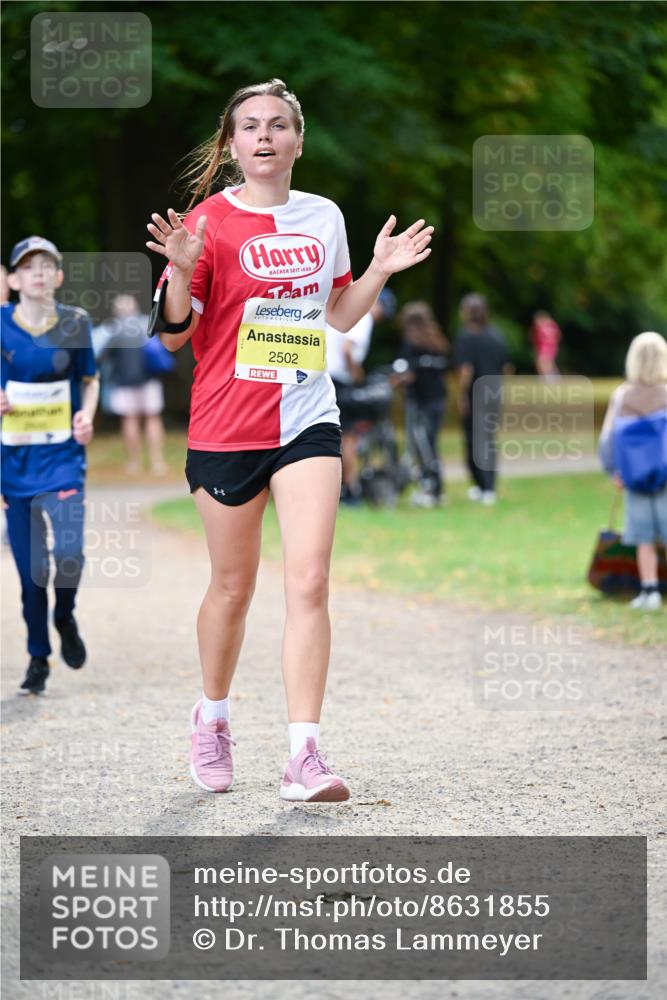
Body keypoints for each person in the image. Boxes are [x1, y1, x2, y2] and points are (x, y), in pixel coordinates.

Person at [145, 78, 433, 801]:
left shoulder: (323, 216)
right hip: (225, 424)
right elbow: (176, 335)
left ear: (298, 140)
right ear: (231, 144)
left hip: (306, 417)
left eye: (278, 125)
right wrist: (180, 269)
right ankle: (211, 718)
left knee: (308, 580)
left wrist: (377, 271)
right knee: (233, 587)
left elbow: (338, 316)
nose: (265, 136)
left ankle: (303, 755)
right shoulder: (208, 222)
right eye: (250, 126)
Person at [1, 236, 99, 694]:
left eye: (47, 265)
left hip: (63, 459)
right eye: (28, 266)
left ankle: (65, 614)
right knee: (29, 574)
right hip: (14, 465)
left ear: (58, 276)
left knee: (70, 555)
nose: (38, 272)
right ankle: (38, 657)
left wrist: (87, 416)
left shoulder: (76, 322)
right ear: (14, 279)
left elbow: (90, 379)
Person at [598, 331, 667, 610]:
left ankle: (649, 591)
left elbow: (608, 438)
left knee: (643, 538)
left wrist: (613, 469)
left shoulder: (623, 395)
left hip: (635, 477)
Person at [326, 287, 396, 505]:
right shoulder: (363, 317)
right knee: (349, 437)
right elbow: (348, 349)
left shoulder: (342, 311)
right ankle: (350, 489)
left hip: (324, 375)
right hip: (339, 379)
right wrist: (357, 375)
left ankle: (335, 488)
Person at [93, 293, 169, 475]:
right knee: (153, 418)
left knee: (130, 420)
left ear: (117, 311)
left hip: (123, 382)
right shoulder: (146, 326)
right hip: (149, 380)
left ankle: (134, 463)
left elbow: (100, 356)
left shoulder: (112, 330)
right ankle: (157, 462)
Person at [453, 293, 510, 506]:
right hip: (494, 392)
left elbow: (466, 370)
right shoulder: (496, 335)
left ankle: (483, 485)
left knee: (474, 440)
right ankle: (486, 486)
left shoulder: (467, 337)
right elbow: (507, 367)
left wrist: (460, 395)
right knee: (488, 439)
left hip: (475, 394)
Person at [398, 301, 449, 507]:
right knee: (431, 444)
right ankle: (435, 487)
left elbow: (407, 373)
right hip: (438, 399)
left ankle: (430, 487)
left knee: (421, 446)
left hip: (419, 402)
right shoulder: (437, 341)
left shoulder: (411, 344)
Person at [531, 309, 562, 381]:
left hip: (548, 347)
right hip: (545, 347)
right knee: (547, 363)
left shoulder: (548, 326)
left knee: (542, 362)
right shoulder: (550, 326)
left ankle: (548, 378)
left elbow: (555, 336)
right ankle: (553, 377)